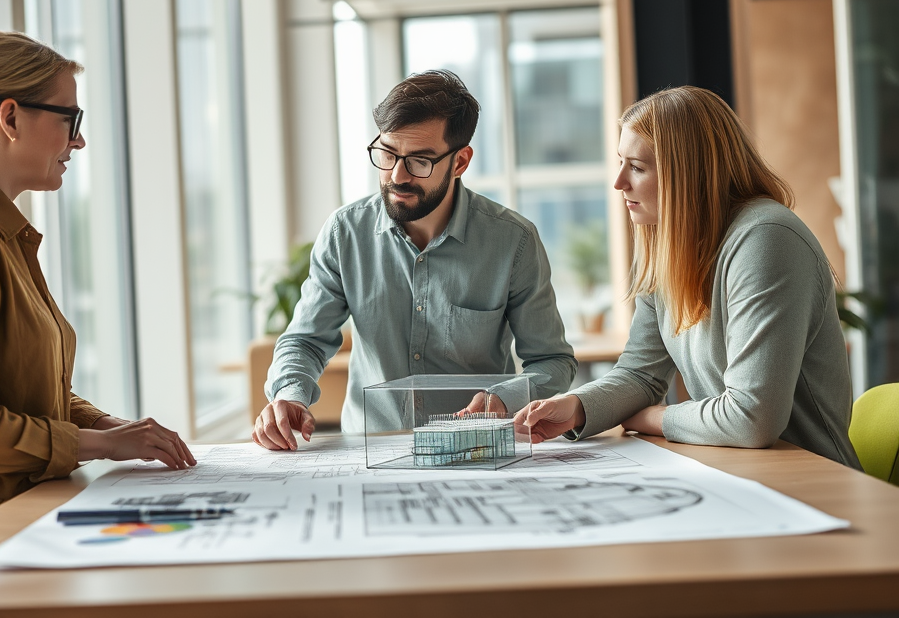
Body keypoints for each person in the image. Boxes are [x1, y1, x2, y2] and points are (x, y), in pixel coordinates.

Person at [0, 10, 196, 556]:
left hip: (4, 518)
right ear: (10, 117)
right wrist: (103, 444)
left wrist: (118, 430)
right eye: (69, 118)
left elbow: (26, 394)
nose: (79, 140)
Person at [514, 86, 860, 468]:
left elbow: (752, 418)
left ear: (688, 175)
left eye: (638, 167)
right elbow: (640, 375)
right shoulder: (671, 246)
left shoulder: (767, 239)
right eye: (620, 162)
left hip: (813, 479)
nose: (618, 183)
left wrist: (653, 418)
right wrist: (578, 407)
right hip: (741, 474)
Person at [252, 69, 578, 450]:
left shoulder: (513, 242)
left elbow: (553, 361)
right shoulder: (345, 233)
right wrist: (289, 394)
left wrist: (505, 398)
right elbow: (305, 340)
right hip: (370, 452)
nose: (396, 175)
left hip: (476, 450)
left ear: (460, 162)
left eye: (419, 161)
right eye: (387, 154)